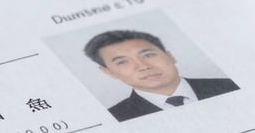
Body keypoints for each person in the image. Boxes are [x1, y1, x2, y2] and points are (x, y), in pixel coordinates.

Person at [83, 30, 239, 122]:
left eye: (149, 54)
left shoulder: (230, 85)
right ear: (108, 72)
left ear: (170, 56)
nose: (143, 66)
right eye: (123, 62)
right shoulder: (115, 117)